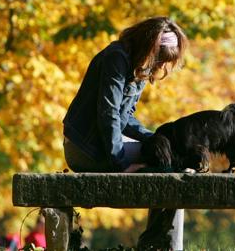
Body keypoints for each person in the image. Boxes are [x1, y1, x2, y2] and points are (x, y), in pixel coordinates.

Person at [62, 16, 188, 250]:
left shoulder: (138, 65)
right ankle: (160, 246)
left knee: (170, 157)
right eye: (161, 60)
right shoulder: (116, 58)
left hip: (102, 146)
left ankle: (158, 243)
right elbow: (108, 114)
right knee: (170, 166)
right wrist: (120, 163)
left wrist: (157, 139)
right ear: (150, 47)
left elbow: (124, 118)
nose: (161, 67)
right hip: (85, 150)